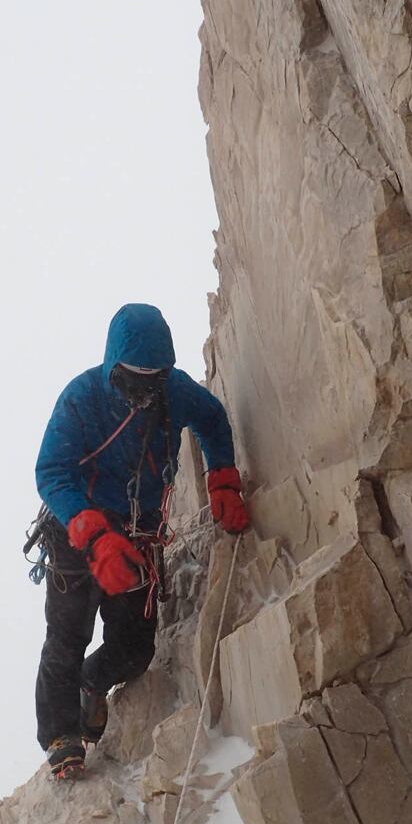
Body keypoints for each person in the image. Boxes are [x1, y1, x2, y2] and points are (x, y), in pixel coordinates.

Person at [32, 302, 249, 778]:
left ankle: (94, 681)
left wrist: (224, 479)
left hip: (138, 531)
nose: (143, 391)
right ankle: (62, 738)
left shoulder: (175, 392)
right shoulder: (82, 398)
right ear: (114, 367)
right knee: (67, 636)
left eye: (153, 378)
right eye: (133, 378)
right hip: (78, 535)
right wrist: (92, 534)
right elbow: (51, 471)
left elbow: (212, 419)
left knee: (136, 650)